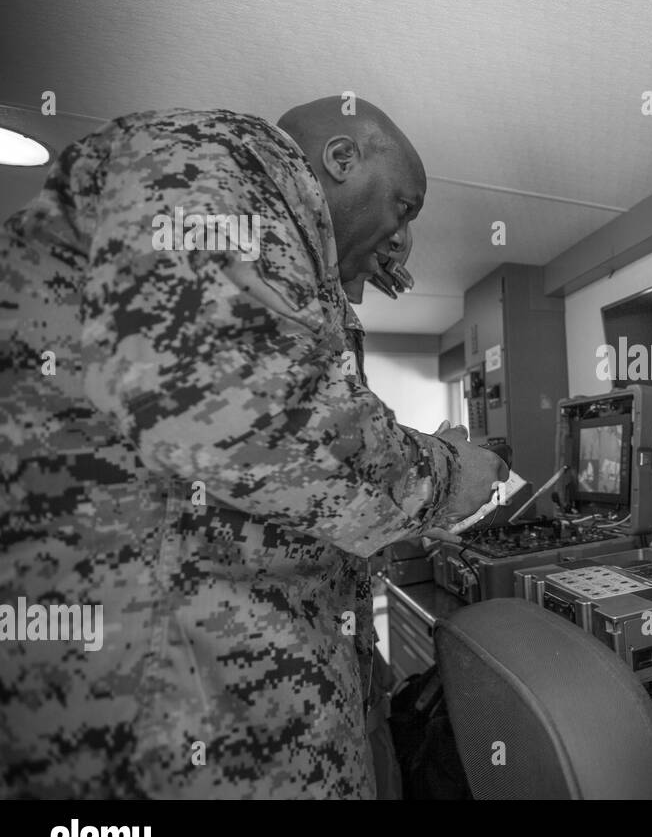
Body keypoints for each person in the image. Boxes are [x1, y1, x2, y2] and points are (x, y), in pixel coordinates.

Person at [0, 98, 506, 798]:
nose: (402, 236)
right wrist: (451, 475)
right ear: (341, 158)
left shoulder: (267, 238)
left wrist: (342, 273)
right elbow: (254, 409)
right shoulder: (222, 157)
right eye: (404, 206)